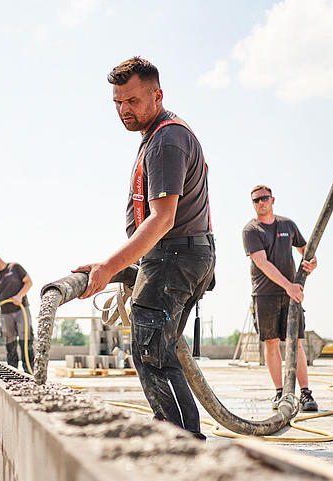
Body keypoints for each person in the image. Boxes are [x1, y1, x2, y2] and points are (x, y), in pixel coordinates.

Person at [74, 57, 215, 440]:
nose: (123, 110)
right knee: (160, 350)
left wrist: (107, 267)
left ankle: (181, 445)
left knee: (152, 353)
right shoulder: (161, 135)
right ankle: (179, 437)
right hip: (180, 256)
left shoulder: (165, 141)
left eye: (132, 101)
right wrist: (115, 265)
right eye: (117, 103)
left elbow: (162, 219)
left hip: (174, 257)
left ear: (157, 95)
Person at [242, 185, 319, 412]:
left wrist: (312, 263)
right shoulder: (251, 230)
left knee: (295, 342)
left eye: (264, 198)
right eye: (256, 200)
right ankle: (280, 393)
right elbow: (261, 262)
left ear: (272, 199)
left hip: (291, 292)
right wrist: (289, 286)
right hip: (265, 293)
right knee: (272, 343)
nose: (260, 203)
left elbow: (307, 251)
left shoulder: (288, 225)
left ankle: (305, 394)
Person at [0, 251, 35, 373]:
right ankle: (13, 370)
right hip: (5, 313)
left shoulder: (14, 267)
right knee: (9, 341)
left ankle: (29, 371)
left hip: (21, 309)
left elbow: (29, 282)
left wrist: (19, 296)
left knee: (25, 338)